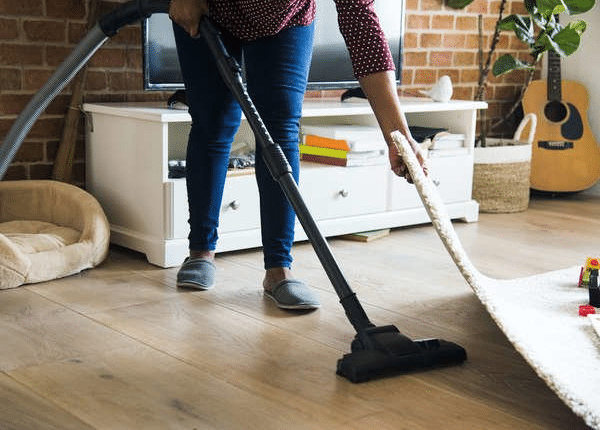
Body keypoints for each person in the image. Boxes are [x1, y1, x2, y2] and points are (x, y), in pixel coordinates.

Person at [168, 0, 425, 311]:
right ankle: (201, 251)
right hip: (212, 7)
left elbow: (363, 28)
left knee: (280, 128)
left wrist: (397, 134)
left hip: (286, 19)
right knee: (214, 122)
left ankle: (279, 270)